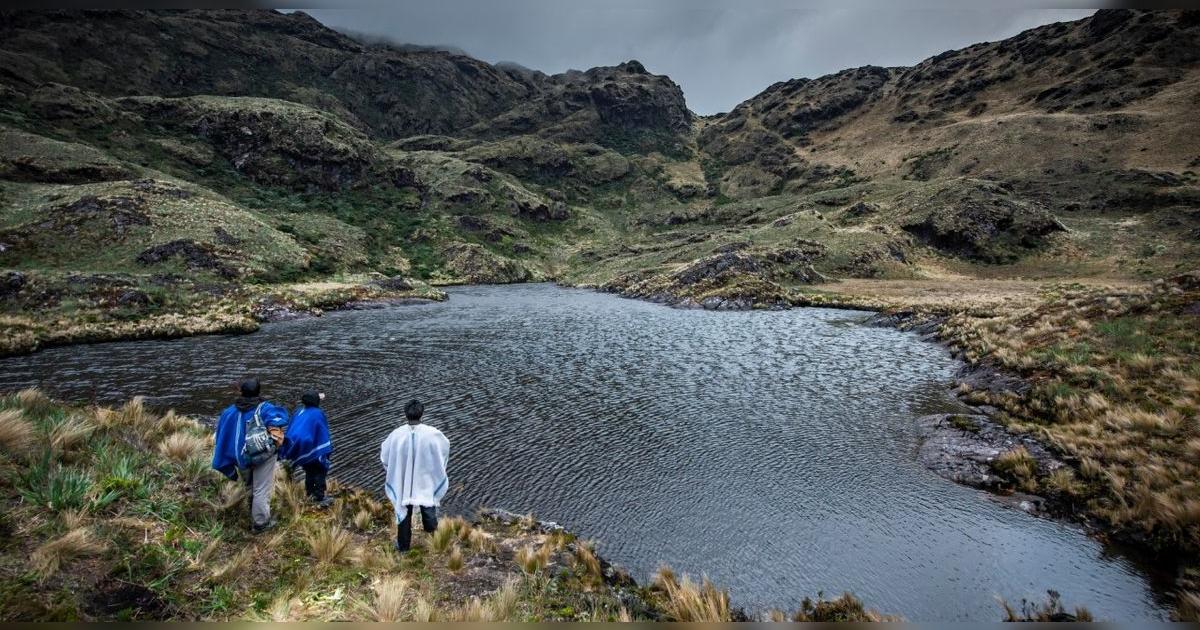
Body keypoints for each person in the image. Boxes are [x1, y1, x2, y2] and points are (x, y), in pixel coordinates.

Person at [212, 378, 289, 533]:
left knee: (250, 486)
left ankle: (252, 513)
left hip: (240, 458)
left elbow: (221, 435)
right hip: (261, 456)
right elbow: (281, 418)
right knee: (261, 488)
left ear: (242, 392)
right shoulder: (264, 408)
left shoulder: (229, 412)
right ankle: (261, 523)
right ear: (258, 392)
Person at [380, 399, 450, 552]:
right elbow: (444, 449)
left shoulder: (396, 435)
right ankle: (435, 542)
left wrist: (396, 470)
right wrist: (435, 468)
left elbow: (385, 456)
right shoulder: (433, 434)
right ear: (421, 413)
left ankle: (404, 547)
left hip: (403, 482)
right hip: (425, 479)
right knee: (428, 503)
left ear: (406, 414)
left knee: (404, 510)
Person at [280, 389, 334, 508]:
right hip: (313, 449)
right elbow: (322, 435)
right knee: (320, 471)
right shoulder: (318, 414)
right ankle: (319, 497)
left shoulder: (298, 411)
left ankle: (309, 493)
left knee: (309, 471)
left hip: (301, 448)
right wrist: (326, 450)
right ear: (316, 402)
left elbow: (292, 429)